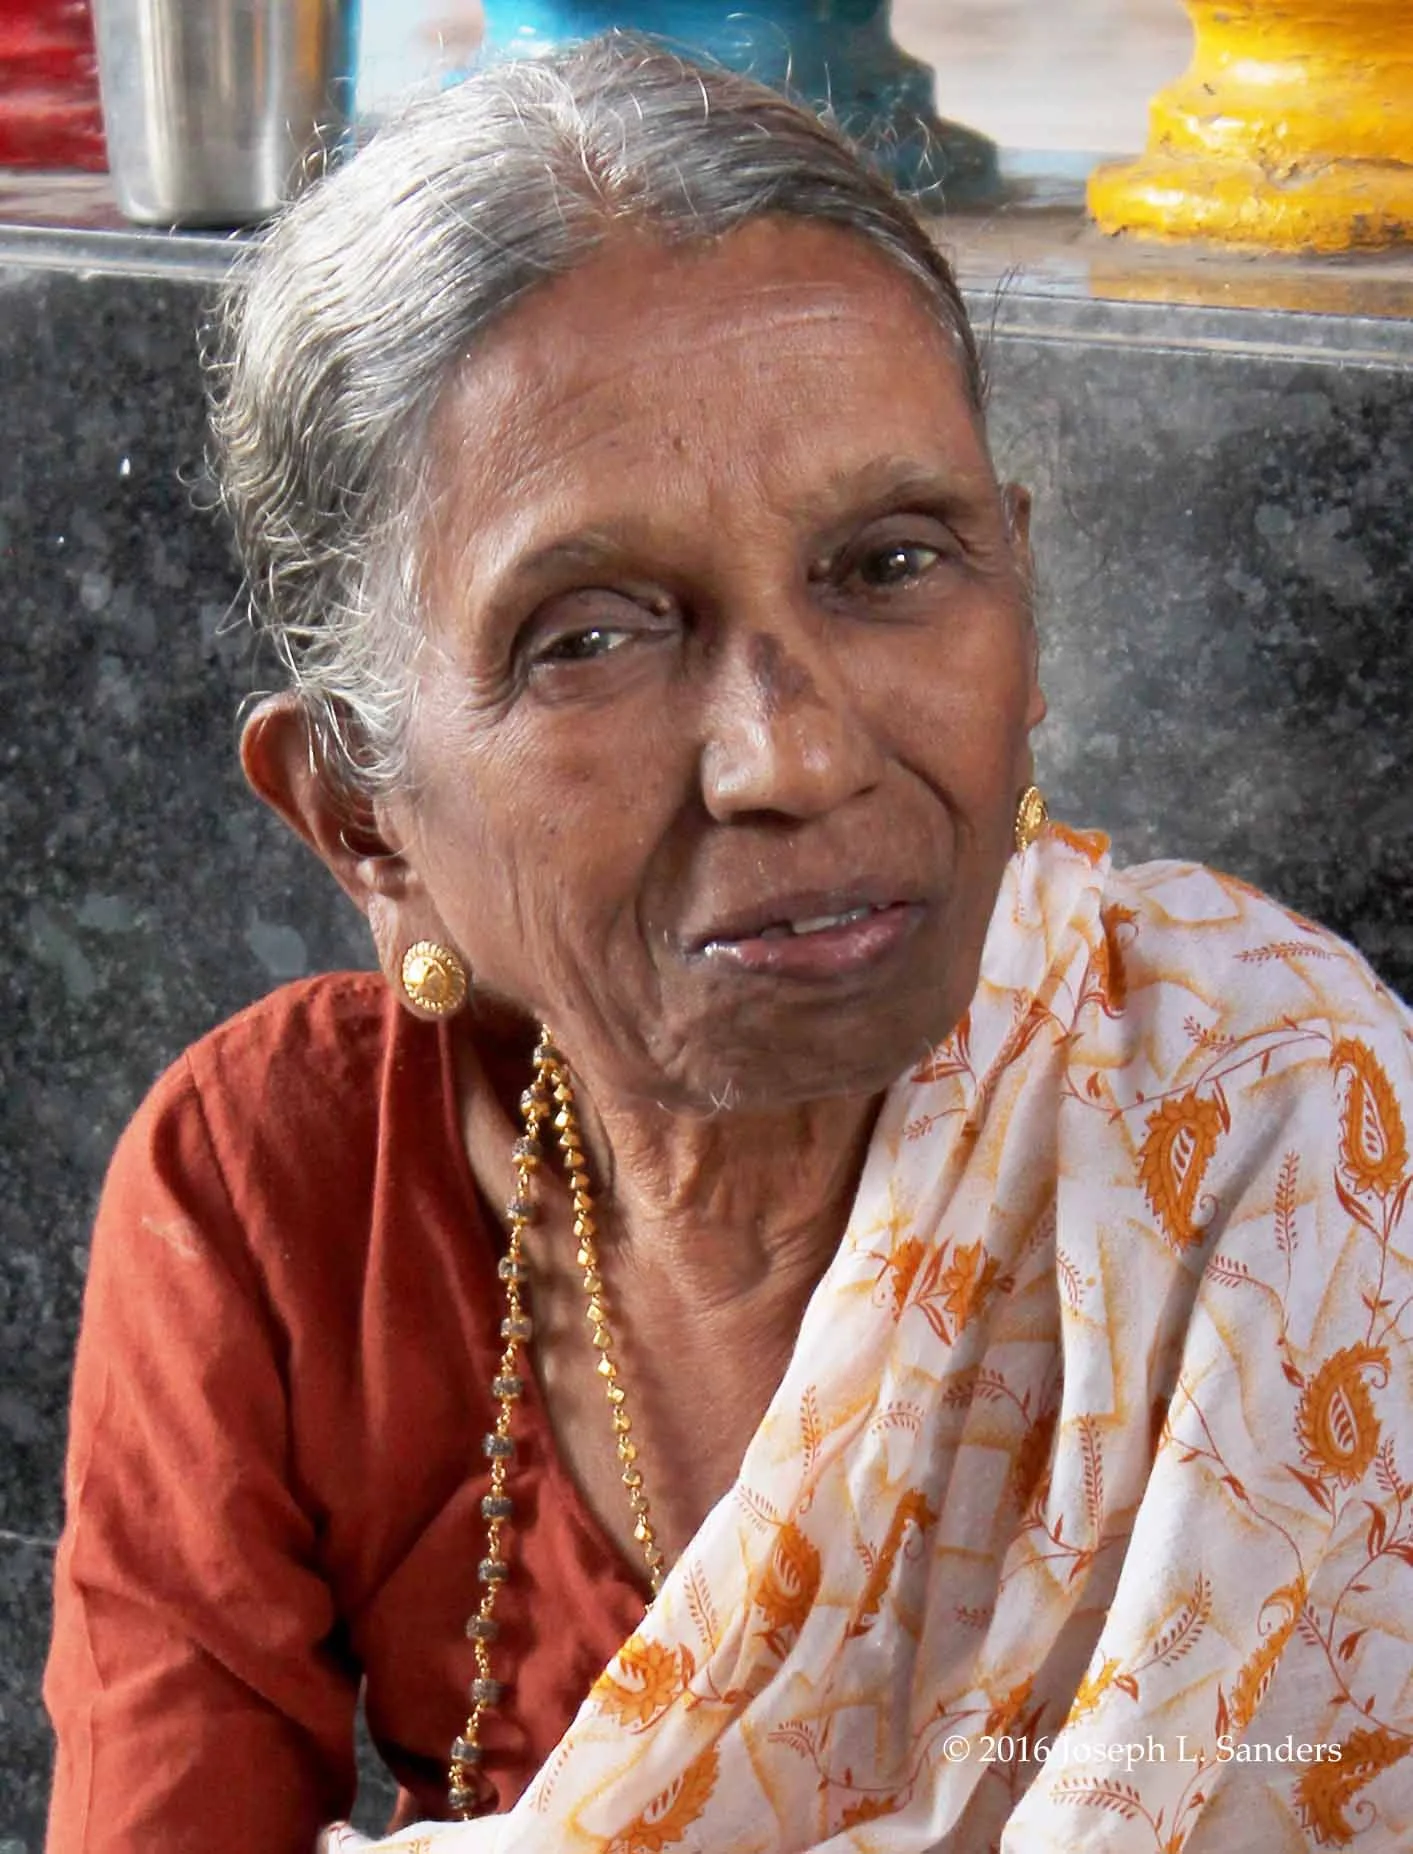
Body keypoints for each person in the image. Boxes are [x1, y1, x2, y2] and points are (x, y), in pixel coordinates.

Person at [44, 34, 1413, 1854]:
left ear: (1026, 600)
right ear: (365, 817)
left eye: (894, 564)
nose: (799, 753)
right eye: (594, 634)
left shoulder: (1281, 1145)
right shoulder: (280, 1192)